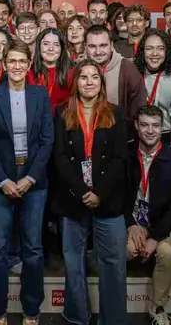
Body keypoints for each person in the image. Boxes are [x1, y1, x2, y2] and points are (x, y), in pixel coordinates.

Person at [0, 40, 53, 325]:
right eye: (12, 61)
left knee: (33, 249)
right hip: (0, 183)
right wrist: (2, 180)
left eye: (22, 61)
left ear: (29, 63)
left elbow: (47, 140)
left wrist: (30, 178)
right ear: (5, 64)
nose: (17, 66)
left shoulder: (40, 95)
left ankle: (31, 310)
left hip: (34, 181)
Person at [52, 58, 128, 325]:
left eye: (94, 77)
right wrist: (82, 190)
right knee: (74, 262)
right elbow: (59, 157)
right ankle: (76, 315)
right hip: (73, 199)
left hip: (108, 200)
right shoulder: (62, 113)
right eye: (83, 77)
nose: (89, 82)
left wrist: (100, 193)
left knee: (113, 263)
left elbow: (120, 158)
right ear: (76, 83)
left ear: (102, 82)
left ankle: (114, 319)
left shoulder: (116, 114)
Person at [125, 105, 171, 325]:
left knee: (167, 253)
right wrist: (131, 224)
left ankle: (157, 307)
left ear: (163, 128)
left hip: (163, 223)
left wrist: (155, 237)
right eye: (144, 125)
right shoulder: (126, 154)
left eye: (155, 125)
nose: (150, 131)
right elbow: (118, 196)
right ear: (136, 127)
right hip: (135, 220)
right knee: (127, 251)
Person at [84, 25, 147, 130]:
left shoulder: (127, 68)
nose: (98, 52)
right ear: (85, 47)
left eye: (103, 45)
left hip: (118, 135)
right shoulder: (79, 70)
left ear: (111, 45)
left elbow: (138, 108)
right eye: (92, 46)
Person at [133, 28, 171, 148]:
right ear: (142, 51)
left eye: (160, 48)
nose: (154, 53)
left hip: (164, 136)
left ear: (167, 52)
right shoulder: (133, 73)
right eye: (149, 48)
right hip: (137, 136)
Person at [27, 28, 74, 111]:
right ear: (39, 47)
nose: (51, 49)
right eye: (46, 44)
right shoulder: (29, 72)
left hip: (62, 121)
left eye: (56, 44)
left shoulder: (71, 72)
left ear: (62, 48)